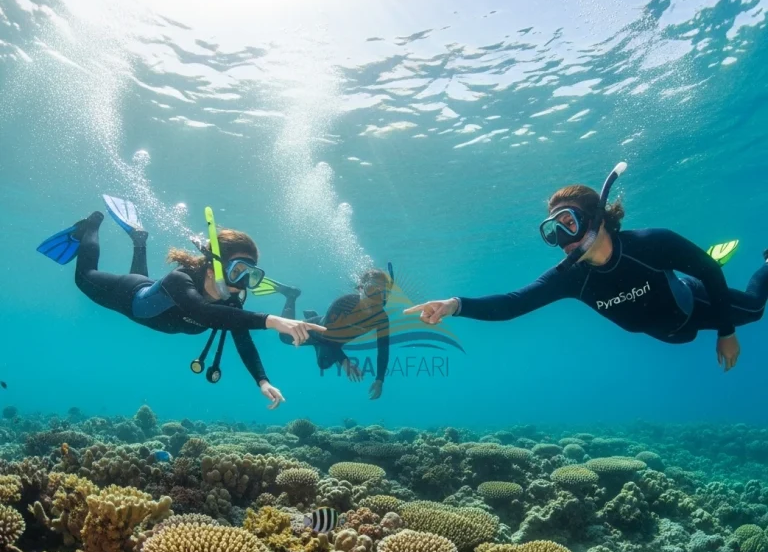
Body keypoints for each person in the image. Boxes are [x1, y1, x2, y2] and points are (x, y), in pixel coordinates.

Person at [405, 162, 768, 372]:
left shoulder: (652, 243)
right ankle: (690, 267)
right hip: (668, 331)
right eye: (553, 232)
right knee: (684, 334)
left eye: (569, 222)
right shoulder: (571, 279)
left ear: (597, 217)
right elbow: (514, 304)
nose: (564, 238)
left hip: (695, 305)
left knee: (752, 307)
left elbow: (711, 274)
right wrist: (454, 305)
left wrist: (726, 332)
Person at [37, 195, 325, 407]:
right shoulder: (181, 279)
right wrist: (272, 320)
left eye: (251, 275)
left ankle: (139, 240)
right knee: (85, 277)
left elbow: (242, 337)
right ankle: (90, 225)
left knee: (150, 291)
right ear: (215, 265)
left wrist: (262, 381)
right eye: (238, 271)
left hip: (154, 300)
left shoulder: (232, 301)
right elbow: (200, 312)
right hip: (131, 297)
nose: (241, 283)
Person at [269, 267, 393, 399]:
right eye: (371, 289)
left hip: (334, 339)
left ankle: (317, 340)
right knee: (284, 336)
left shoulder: (382, 319)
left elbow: (383, 349)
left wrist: (380, 380)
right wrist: (345, 361)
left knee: (324, 364)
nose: (376, 297)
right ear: (360, 289)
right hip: (319, 330)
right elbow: (325, 336)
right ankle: (291, 295)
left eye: (382, 292)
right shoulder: (344, 303)